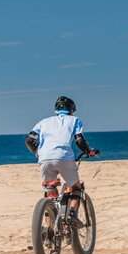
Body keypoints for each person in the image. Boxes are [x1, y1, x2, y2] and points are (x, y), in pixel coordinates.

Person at [25, 96, 98, 227]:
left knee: (49, 190)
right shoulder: (75, 120)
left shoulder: (43, 122)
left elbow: (29, 141)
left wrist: (38, 152)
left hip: (44, 158)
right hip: (64, 158)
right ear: (72, 110)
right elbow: (79, 140)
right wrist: (89, 152)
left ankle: (48, 229)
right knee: (76, 187)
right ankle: (71, 213)